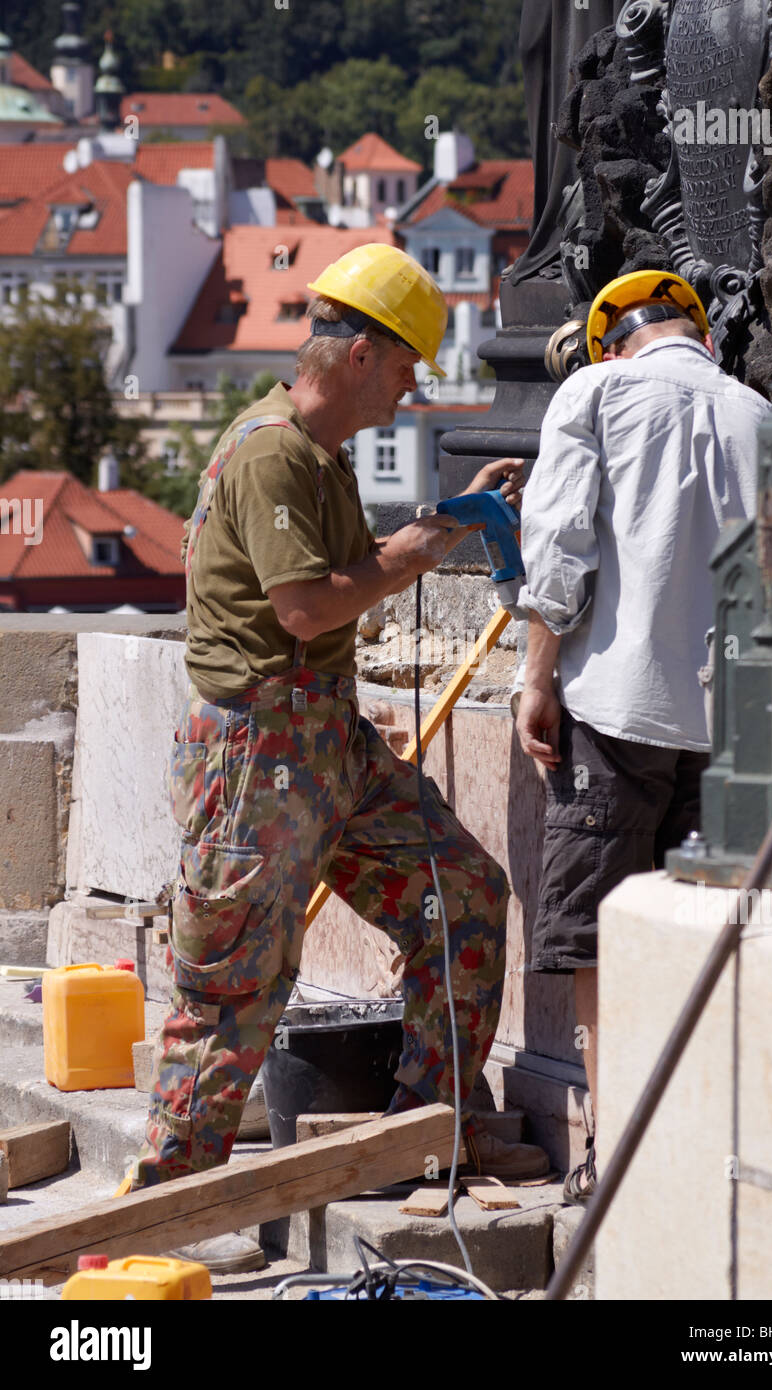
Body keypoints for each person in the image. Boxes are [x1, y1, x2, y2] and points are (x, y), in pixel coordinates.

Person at [129, 243, 548, 1271]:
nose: (414, 385)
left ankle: (425, 1120)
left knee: (459, 889)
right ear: (358, 353)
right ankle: (166, 1208)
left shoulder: (319, 456)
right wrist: (417, 549)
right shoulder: (273, 451)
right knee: (232, 989)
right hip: (257, 750)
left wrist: (438, 528)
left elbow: (338, 584)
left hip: (321, 735)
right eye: (406, 364)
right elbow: (307, 604)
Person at [513, 271, 771, 1201]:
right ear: (698, 334)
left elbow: (559, 552)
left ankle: (610, 1156)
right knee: (710, 937)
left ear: (612, 340)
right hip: (733, 727)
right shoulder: (763, 414)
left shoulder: (595, 391)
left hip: (617, 712)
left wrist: (535, 678)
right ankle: (707, 1161)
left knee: (600, 935)